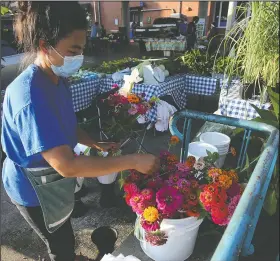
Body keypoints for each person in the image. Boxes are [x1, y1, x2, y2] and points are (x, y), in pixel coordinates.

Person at [1, 2, 159, 261]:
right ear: (44, 46)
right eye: (73, 50)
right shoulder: (31, 96)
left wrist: (94, 143)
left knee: (65, 231)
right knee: (59, 243)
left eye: (82, 50)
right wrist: (133, 161)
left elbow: (67, 124)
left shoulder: (57, 79)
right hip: (32, 188)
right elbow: (68, 166)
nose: (79, 57)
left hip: (50, 177)